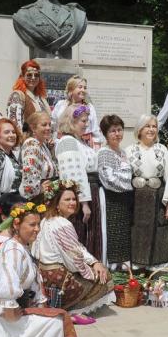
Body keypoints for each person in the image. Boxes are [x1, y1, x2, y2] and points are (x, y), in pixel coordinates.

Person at [0, 201, 84, 337]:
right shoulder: (12, 250)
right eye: (32, 225)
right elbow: (7, 291)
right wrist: (15, 316)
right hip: (5, 317)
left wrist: (39, 308)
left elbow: (34, 285)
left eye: (38, 224)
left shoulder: (22, 247)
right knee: (57, 322)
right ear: (16, 224)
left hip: (12, 310)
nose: (37, 229)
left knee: (55, 317)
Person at [32, 180, 114, 324]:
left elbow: (76, 247)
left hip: (42, 278)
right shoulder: (63, 224)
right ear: (57, 203)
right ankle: (72, 310)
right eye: (67, 199)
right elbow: (75, 260)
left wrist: (93, 261)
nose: (72, 203)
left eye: (74, 199)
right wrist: (91, 269)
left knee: (95, 267)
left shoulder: (46, 220)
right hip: (58, 282)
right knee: (104, 276)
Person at [125, 115, 168, 269]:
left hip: (158, 199)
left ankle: (156, 270)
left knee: (159, 231)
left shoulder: (161, 150)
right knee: (137, 230)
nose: (151, 129)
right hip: (137, 200)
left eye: (154, 126)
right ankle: (137, 268)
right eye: (147, 126)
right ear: (140, 129)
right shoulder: (129, 150)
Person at [55, 104, 103, 260]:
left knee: (89, 234)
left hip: (91, 192)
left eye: (87, 120)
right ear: (72, 121)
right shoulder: (68, 141)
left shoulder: (79, 141)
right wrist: (83, 203)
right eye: (83, 120)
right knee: (80, 232)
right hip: (81, 197)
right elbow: (73, 174)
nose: (86, 123)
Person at [97, 115, 134, 270]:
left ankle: (123, 270)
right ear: (106, 134)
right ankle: (113, 269)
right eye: (113, 131)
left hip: (124, 200)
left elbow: (128, 175)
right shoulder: (104, 153)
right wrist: (128, 184)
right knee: (112, 235)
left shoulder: (122, 152)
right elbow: (109, 179)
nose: (117, 134)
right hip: (111, 199)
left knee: (123, 235)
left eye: (119, 130)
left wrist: (126, 180)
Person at [51, 75, 104, 147]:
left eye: (85, 88)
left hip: (83, 145)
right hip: (61, 144)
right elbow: (53, 124)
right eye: (80, 87)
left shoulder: (89, 107)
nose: (83, 90)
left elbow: (95, 131)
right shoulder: (61, 105)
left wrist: (96, 149)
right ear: (71, 90)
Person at [18, 111, 57, 200]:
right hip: (36, 198)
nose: (48, 128)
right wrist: (37, 190)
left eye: (49, 124)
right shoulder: (31, 144)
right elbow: (30, 172)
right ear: (33, 128)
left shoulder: (42, 145)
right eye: (44, 125)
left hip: (45, 195)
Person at [7, 60, 50, 131]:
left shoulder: (41, 99)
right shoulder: (17, 95)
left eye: (36, 75)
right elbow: (14, 124)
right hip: (27, 140)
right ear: (22, 77)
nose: (33, 78)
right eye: (29, 75)